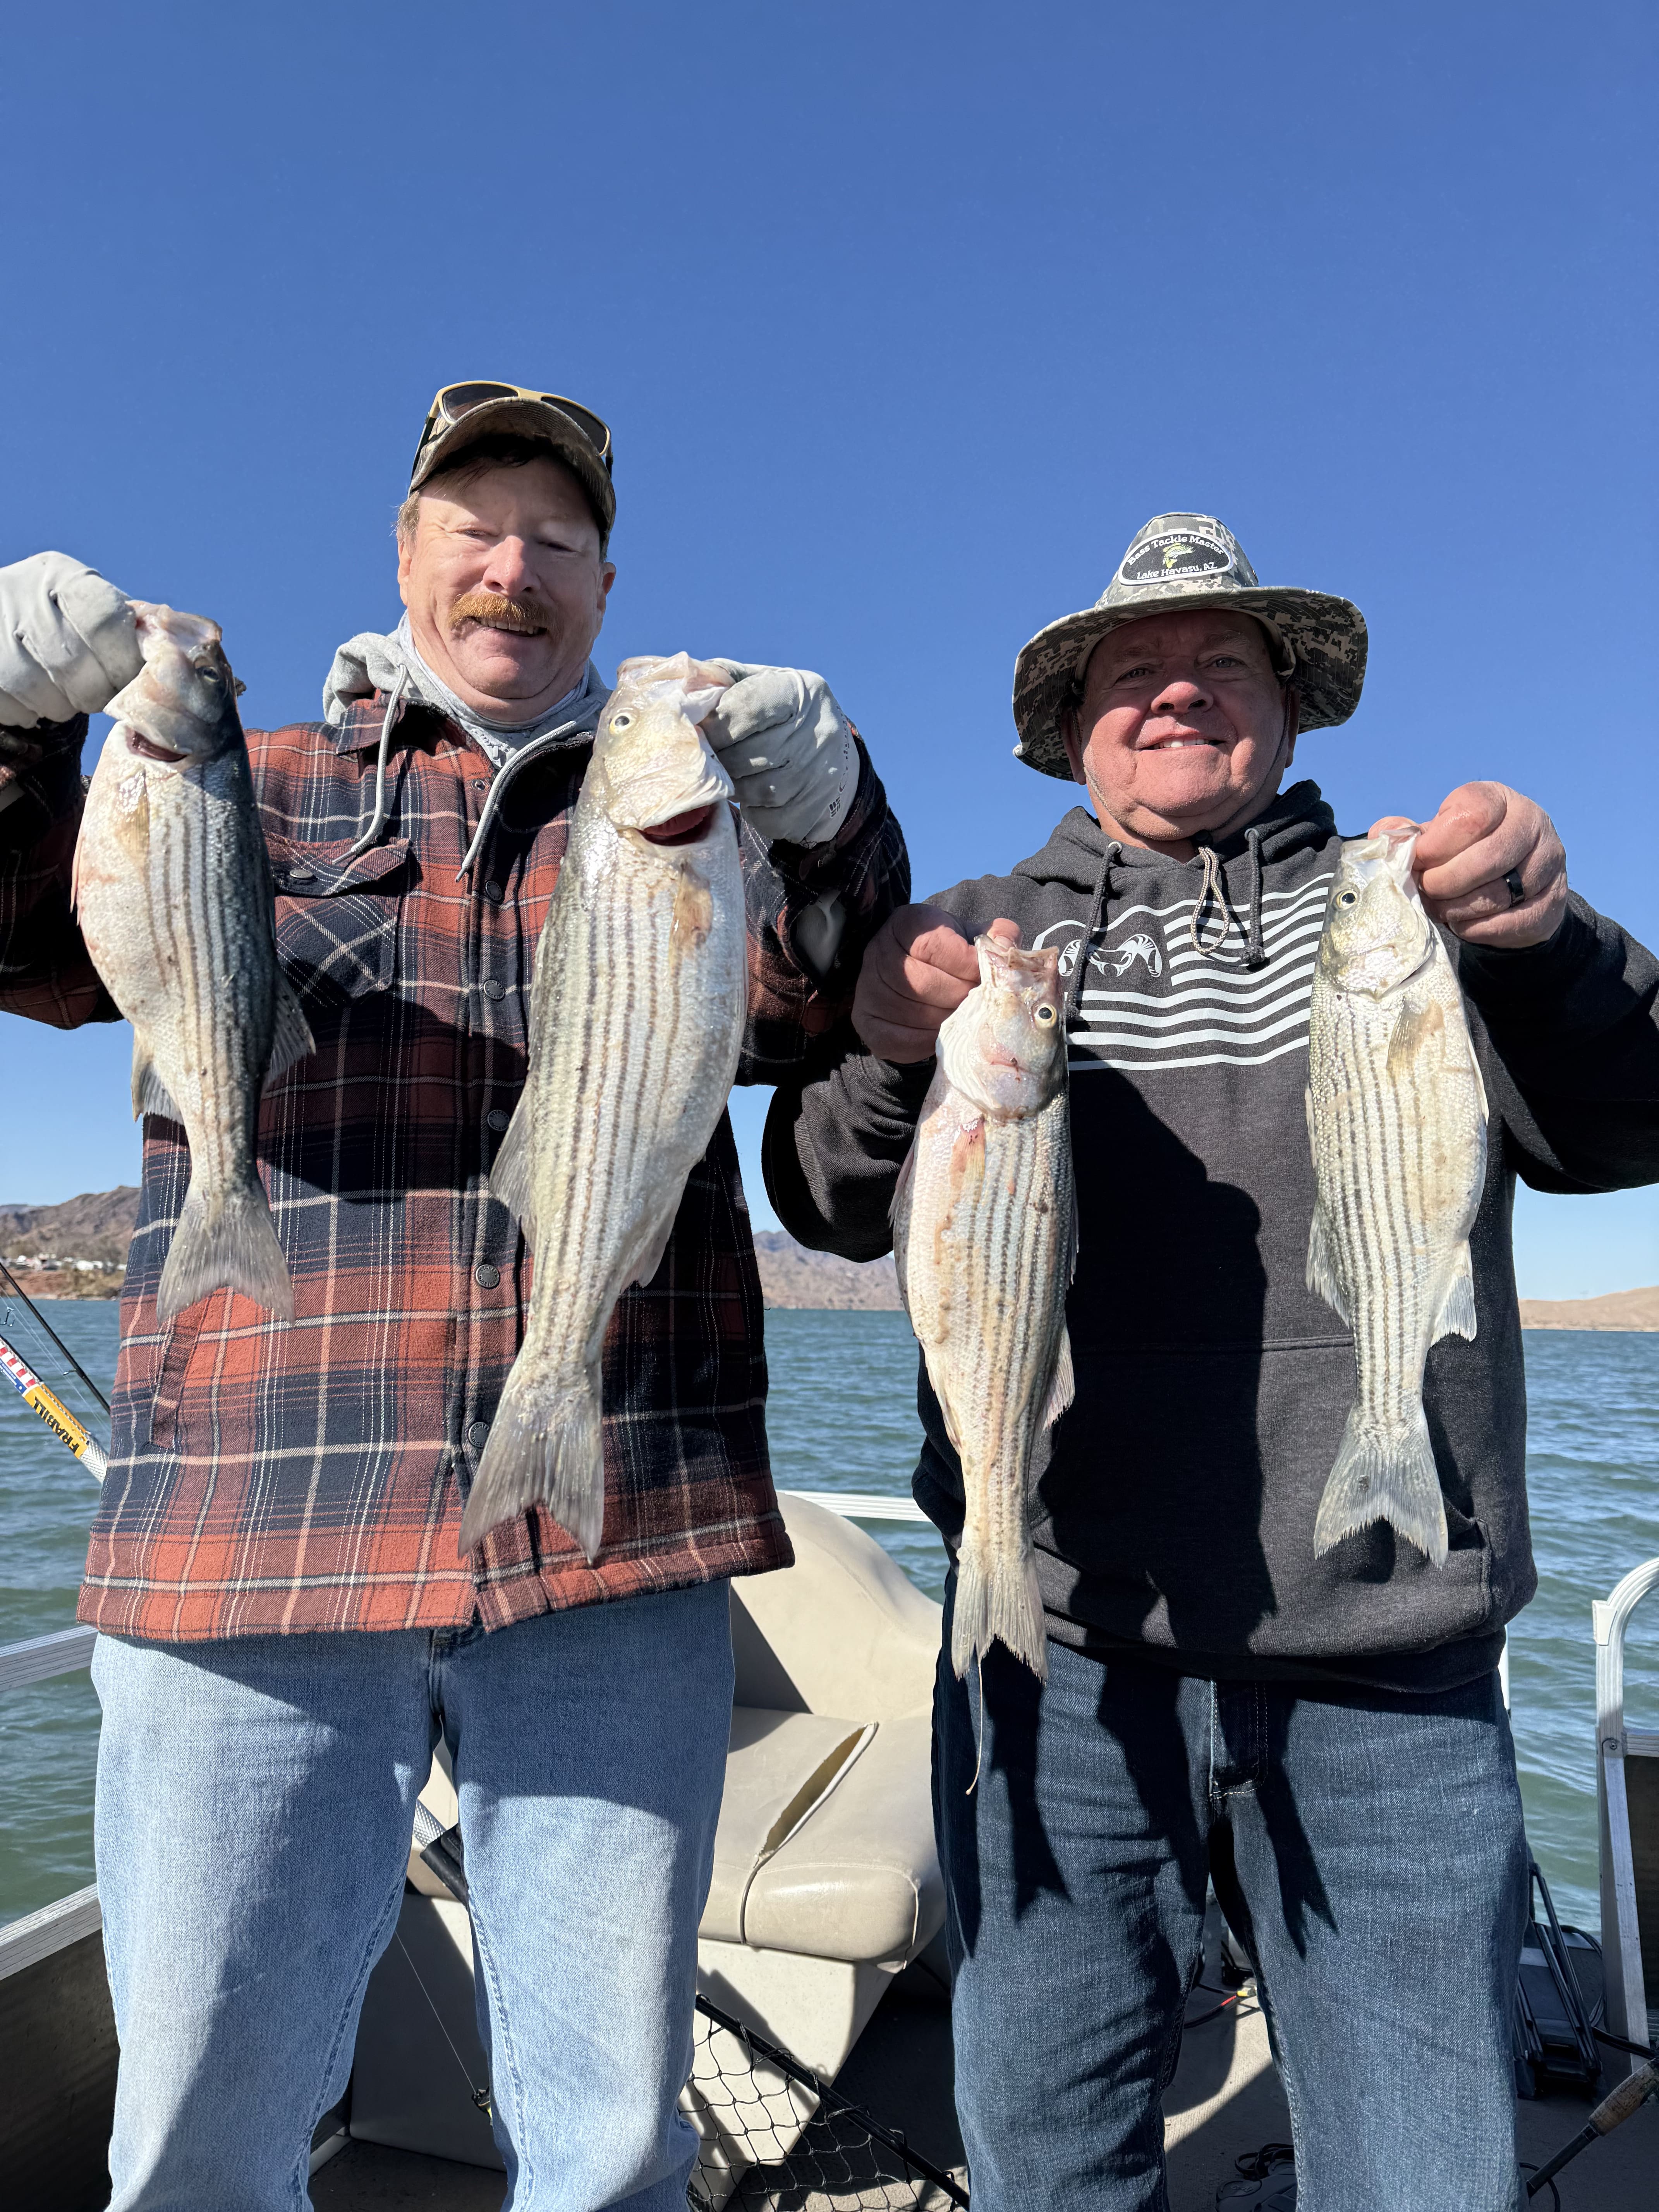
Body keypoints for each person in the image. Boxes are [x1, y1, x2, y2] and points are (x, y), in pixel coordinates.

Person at [0, 381, 909, 2211]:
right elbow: (33, 934)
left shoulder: (703, 813)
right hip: (256, 1526)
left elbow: (841, 996)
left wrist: (839, 811)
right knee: (196, 2139)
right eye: (475, 533)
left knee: (608, 2144)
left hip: (611, 1528)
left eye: (559, 542)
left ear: (605, 578)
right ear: (406, 560)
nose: (517, 570)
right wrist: (10, 727)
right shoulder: (232, 783)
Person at [763, 512, 1659, 2212]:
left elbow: (1627, 1121)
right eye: (1133, 674)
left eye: (1223, 663)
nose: (1178, 694)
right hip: (1066, 1645)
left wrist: (1547, 938)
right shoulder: (985, 933)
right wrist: (884, 1049)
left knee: (1425, 2167)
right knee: (1047, 2136)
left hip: (1385, 1643)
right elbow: (828, 1199)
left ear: (1290, 709)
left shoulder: (1409, 904)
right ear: (1077, 726)